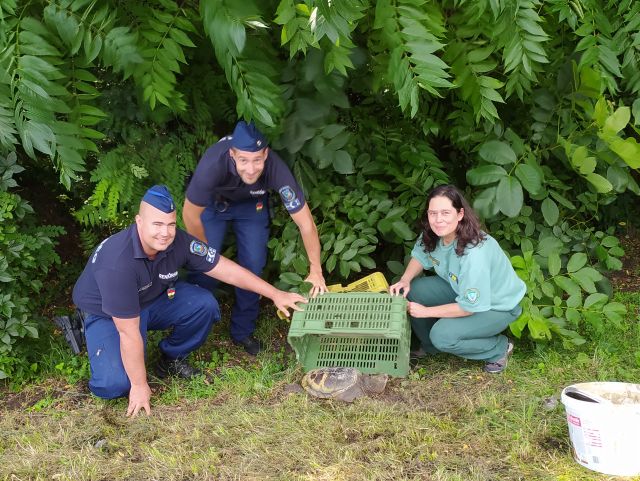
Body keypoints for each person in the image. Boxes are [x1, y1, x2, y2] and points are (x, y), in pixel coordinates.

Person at [72, 185, 306, 417]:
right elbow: (129, 333)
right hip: (109, 313)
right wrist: (140, 385)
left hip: (152, 298)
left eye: (170, 225)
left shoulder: (178, 242)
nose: (165, 233)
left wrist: (275, 294)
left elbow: (226, 269)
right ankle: (90, 333)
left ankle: (171, 358)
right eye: (157, 224)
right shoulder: (118, 264)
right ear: (139, 222)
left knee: (203, 304)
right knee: (115, 385)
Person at [182, 120, 327, 355]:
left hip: (252, 206)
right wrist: (205, 254)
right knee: (204, 267)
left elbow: (305, 223)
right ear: (232, 154)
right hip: (213, 207)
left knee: (254, 264)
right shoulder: (213, 164)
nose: (251, 168)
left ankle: (242, 331)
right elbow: (189, 214)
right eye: (244, 160)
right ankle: (192, 325)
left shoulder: (275, 167)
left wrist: (316, 270)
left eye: (257, 160)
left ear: (266, 154)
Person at [389, 185, 526, 374]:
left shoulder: (474, 253)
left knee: (442, 335)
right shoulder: (434, 233)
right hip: (460, 289)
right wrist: (405, 279)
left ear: (460, 214)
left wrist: (426, 312)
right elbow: (420, 256)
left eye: (445, 213)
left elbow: (468, 308)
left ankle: (499, 348)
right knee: (413, 290)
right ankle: (431, 348)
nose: (438, 220)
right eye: (432, 213)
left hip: (497, 306)